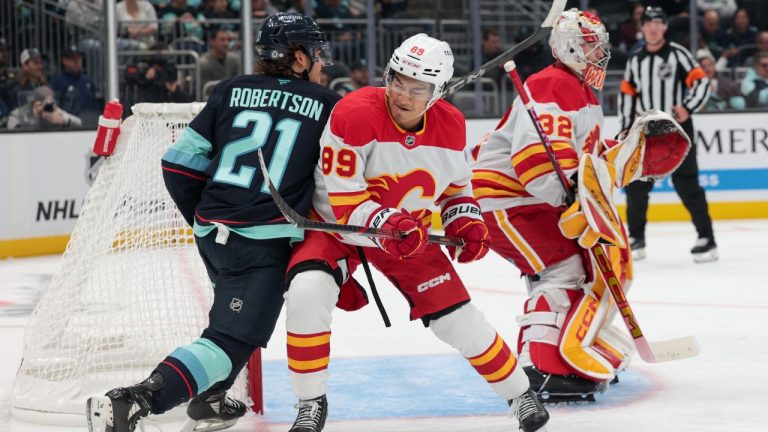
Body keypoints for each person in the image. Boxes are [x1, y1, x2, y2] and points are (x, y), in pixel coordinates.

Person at [85, 12, 341, 432]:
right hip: (263, 244)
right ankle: (135, 401)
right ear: (297, 58)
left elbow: (179, 162)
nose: (321, 63)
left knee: (233, 319)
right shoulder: (329, 106)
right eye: (315, 55)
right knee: (233, 335)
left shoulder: (230, 89)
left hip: (212, 234)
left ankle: (210, 399)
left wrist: (206, 216)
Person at [282, 33, 550, 432]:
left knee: (459, 320)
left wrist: (465, 219)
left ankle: (519, 393)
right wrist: (392, 224)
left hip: (404, 237)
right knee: (307, 292)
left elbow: (457, 189)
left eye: (416, 87)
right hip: (337, 229)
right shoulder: (353, 113)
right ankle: (309, 402)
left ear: (437, 92)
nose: (402, 94)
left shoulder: (451, 126)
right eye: (397, 80)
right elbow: (345, 201)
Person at [470, 8, 635, 404]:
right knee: (562, 268)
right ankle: (539, 368)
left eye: (601, 47)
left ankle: (562, 351)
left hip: (529, 200)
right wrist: (568, 193)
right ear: (571, 46)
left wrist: (627, 153)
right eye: (593, 46)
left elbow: (583, 157)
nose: (601, 55)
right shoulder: (550, 85)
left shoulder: (578, 90)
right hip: (505, 199)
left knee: (575, 265)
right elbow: (534, 157)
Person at [618, 6, 717, 263]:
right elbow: (628, 94)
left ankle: (707, 238)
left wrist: (688, 107)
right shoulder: (636, 59)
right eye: (648, 23)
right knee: (636, 185)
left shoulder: (678, 54)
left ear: (664, 27)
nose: (652, 28)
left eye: (657, 23)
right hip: (646, 130)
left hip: (677, 130)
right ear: (642, 28)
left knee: (687, 184)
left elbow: (701, 82)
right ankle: (636, 238)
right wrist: (626, 126)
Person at [50, 45, 100, 120]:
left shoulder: (87, 81)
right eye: (73, 58)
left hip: (88, 125)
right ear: (64, 61)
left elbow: (94, 105)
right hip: (67, 125)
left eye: (79, 58)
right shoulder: (57, 82)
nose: (77, 61)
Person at [7, 85, 82, 129]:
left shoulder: (52, 109)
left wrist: (63, 120)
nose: (48, 106)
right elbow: (12, 132)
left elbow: (79, 122)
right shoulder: (17, 114)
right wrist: (35, 119)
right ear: (35, 102)